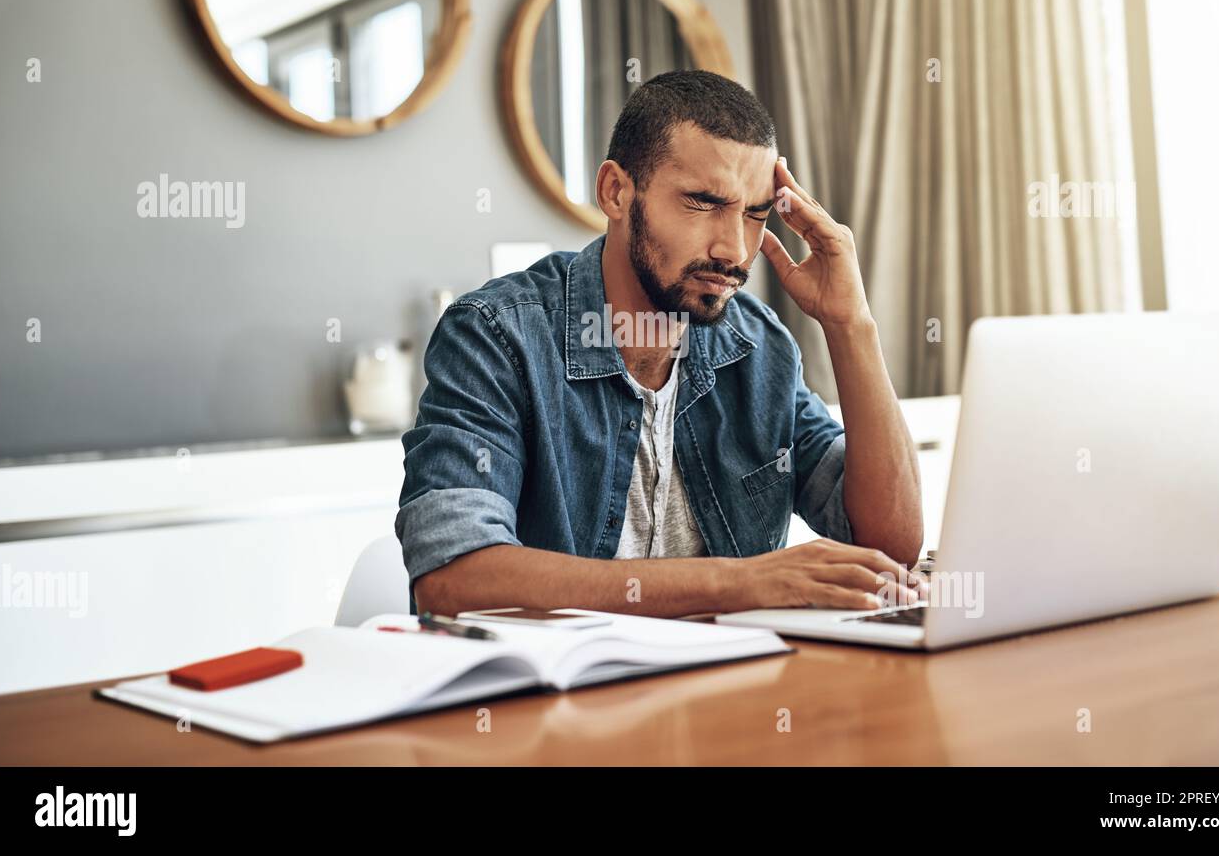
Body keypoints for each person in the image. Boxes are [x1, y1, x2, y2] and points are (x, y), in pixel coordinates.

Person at [396, 70, 924, 617]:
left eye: (755, 214)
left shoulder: (759, 346)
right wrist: (739, 583)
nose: (733, 249)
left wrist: (850, 325)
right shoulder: (497, 336)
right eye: (703, 203)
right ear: (616, 192)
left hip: (731, 688)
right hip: (556, 698)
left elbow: (887, 547)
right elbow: (453, 578)